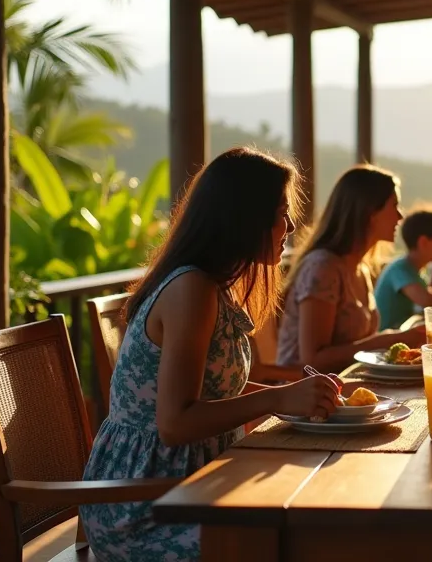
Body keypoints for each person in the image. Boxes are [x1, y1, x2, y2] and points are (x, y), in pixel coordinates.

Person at [80, 148, 342, 562]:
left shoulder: (213, 286)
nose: (290, 226)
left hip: (197, 484)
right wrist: (276, 399)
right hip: (146, 507)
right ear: (244, 217)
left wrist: (292, 392)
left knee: (320, 513)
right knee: (301, 539)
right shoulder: (192, 289)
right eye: (280, 212)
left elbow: (216, 389)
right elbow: (174, 423)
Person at [277, 165, 425, 373]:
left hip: (348, 391)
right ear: (369, 211)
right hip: (307, 397)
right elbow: (313, 360)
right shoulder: (323, 267)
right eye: (394, 205)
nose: (400, 217)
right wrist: (388, 339)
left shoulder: (359, 268)